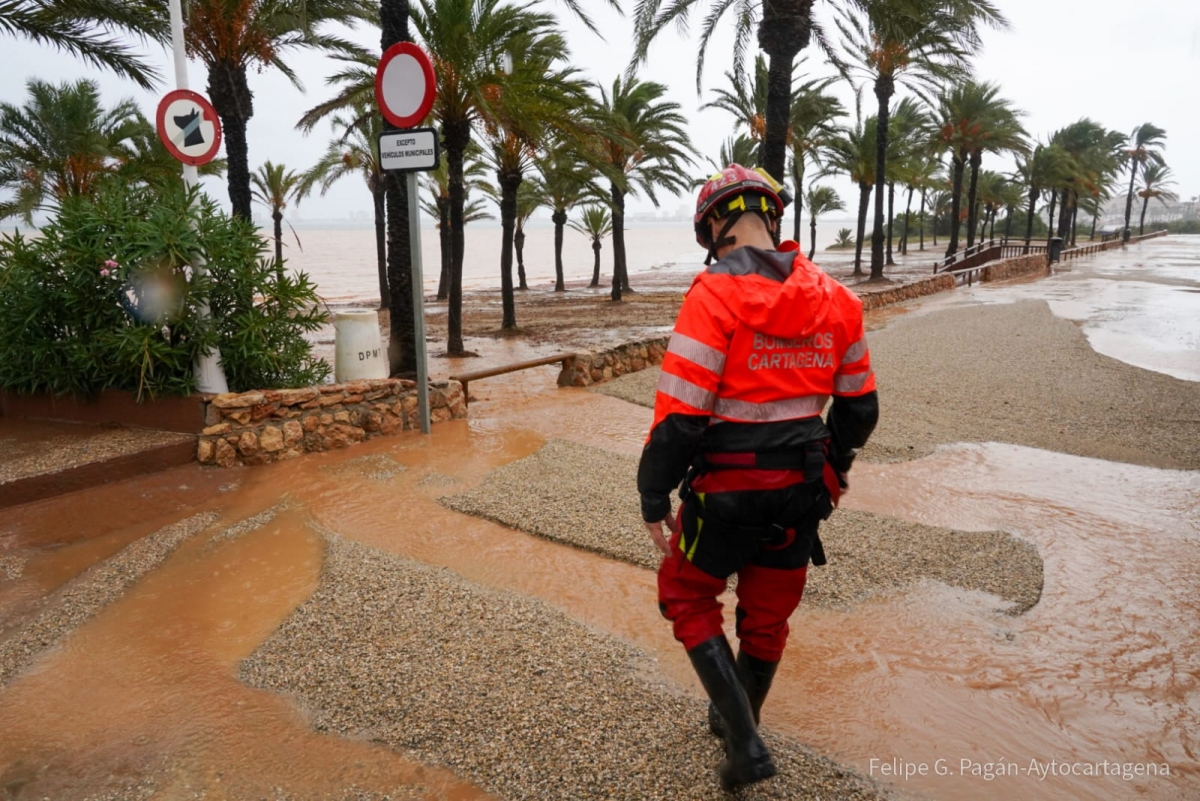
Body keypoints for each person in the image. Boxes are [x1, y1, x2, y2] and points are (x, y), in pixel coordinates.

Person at [637, 164, 879, 791]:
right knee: (767, 618)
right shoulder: (838, 298)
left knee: (687, 598)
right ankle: (741, 719)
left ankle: (744, 740)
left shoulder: (712, 295)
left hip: (723, 496)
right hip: (801, 496)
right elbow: (860, 409)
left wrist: (651, 494)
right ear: (771, 217)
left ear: (714, 224)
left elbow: (680, 418)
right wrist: (837, 468)